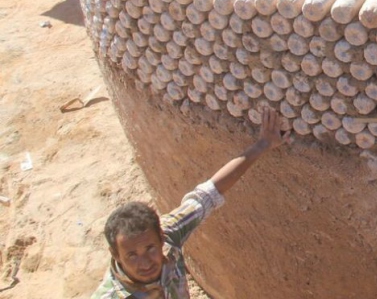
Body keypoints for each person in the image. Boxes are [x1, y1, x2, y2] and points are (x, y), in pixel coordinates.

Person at [92, 107, 290, 298]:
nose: (144, 263)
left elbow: (209, 193)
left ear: (161, 238)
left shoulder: (171, 234)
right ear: (116, 255)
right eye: (131, 255)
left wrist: (262, 144)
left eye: (150, 249)